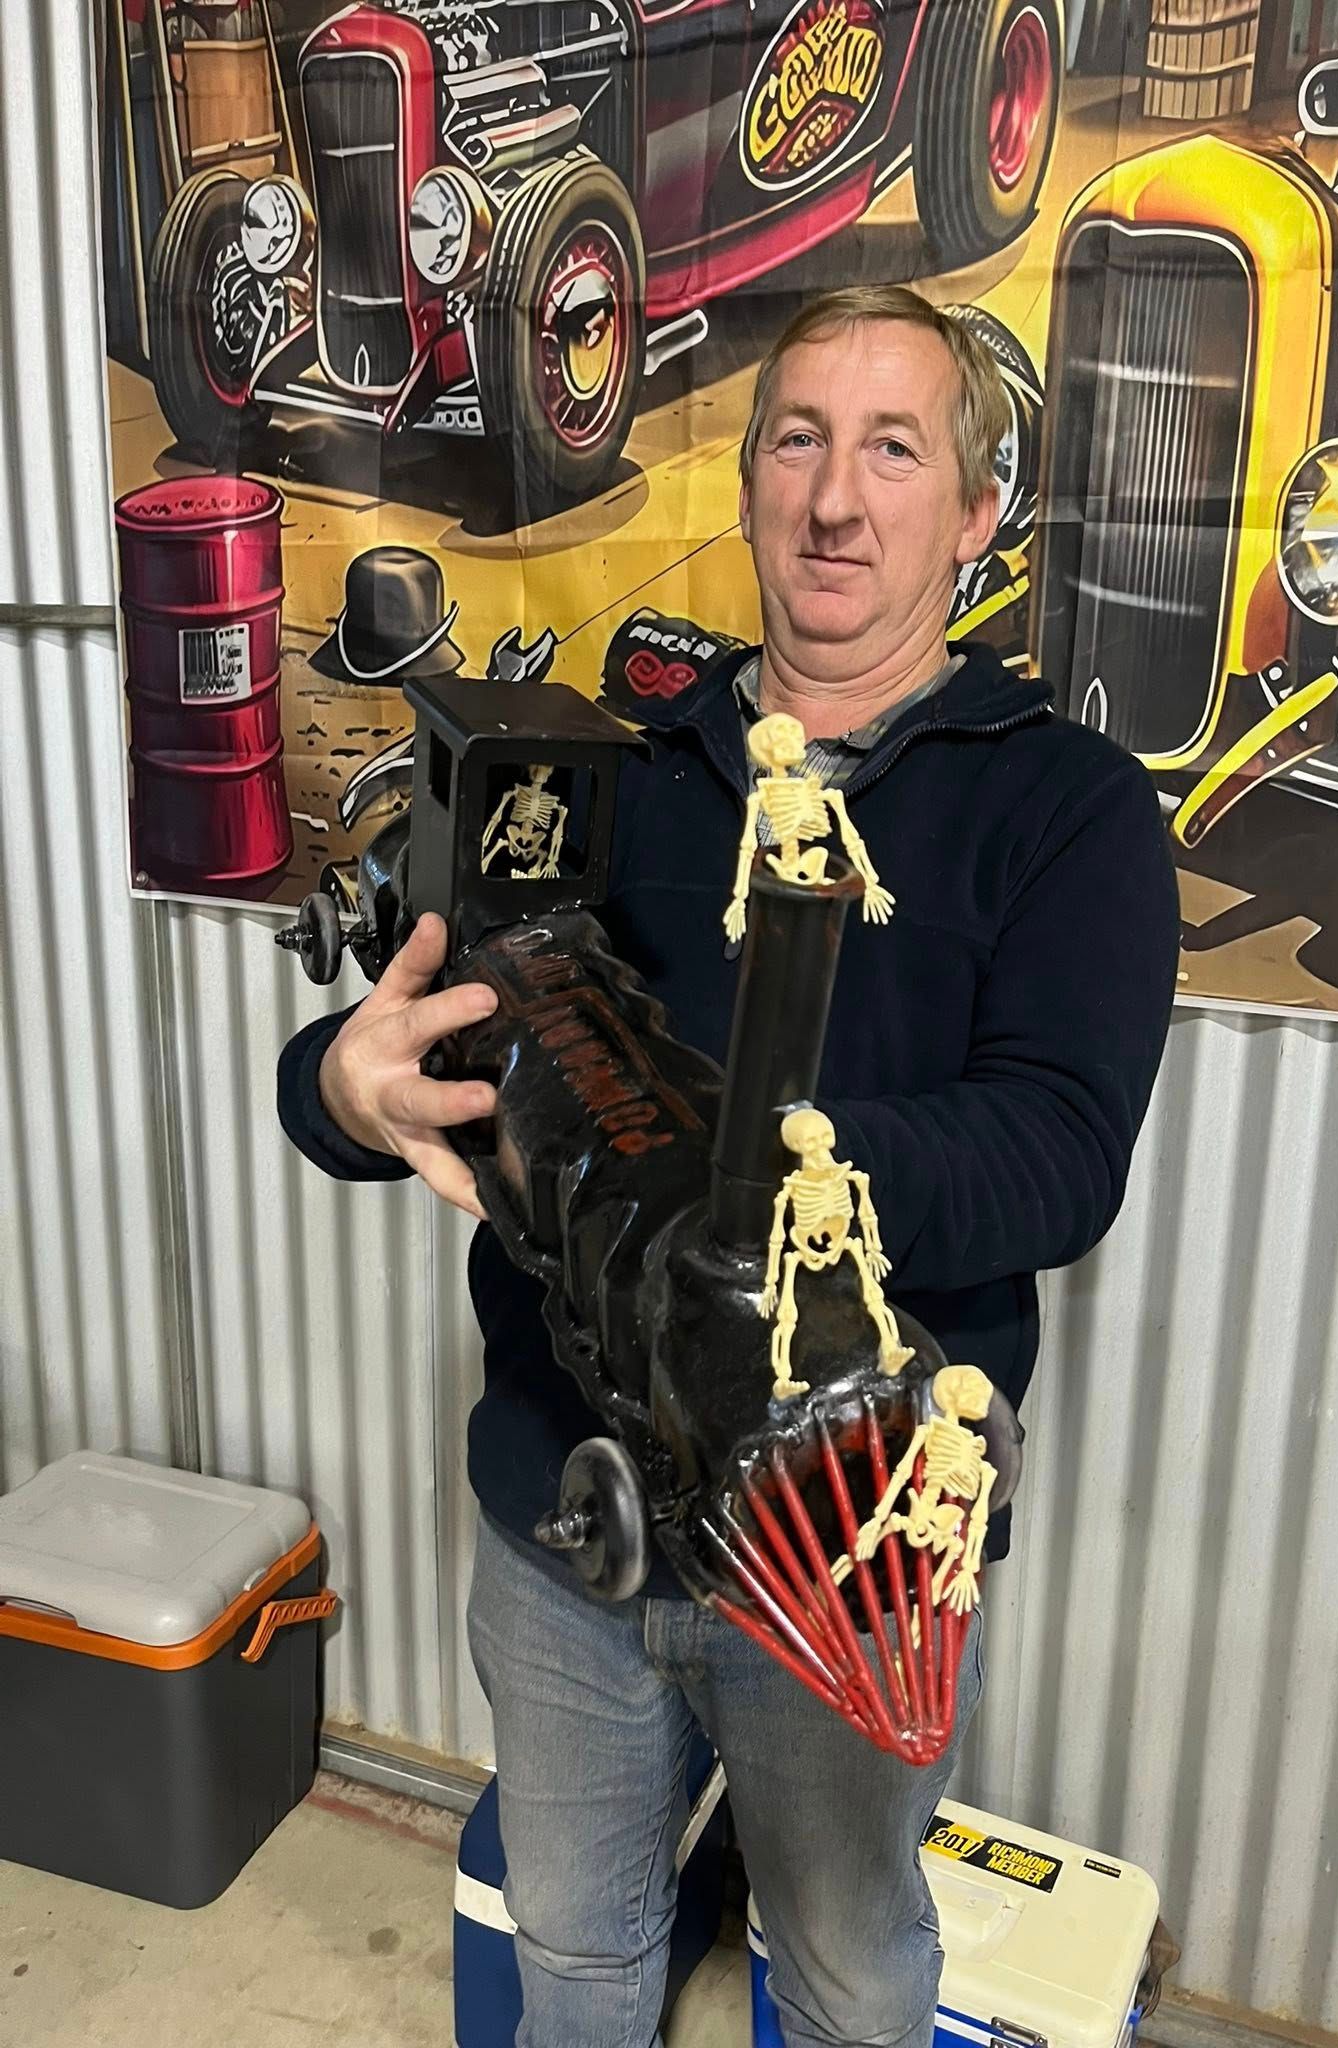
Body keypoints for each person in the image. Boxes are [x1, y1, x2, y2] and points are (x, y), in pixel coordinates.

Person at [278, 284, 1180, 2048]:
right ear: (752, 480)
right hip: (565, 1516)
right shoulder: (618, 778)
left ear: (975, 513)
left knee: (846, 1972)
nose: (836, 500)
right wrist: (340, 1088)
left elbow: (1062, 1155)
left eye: (894, 450)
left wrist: (748, 1189)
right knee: (574, 1943)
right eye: (800, 442)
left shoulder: (1066, 808)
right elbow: (413, 1054)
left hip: (847, 1548)